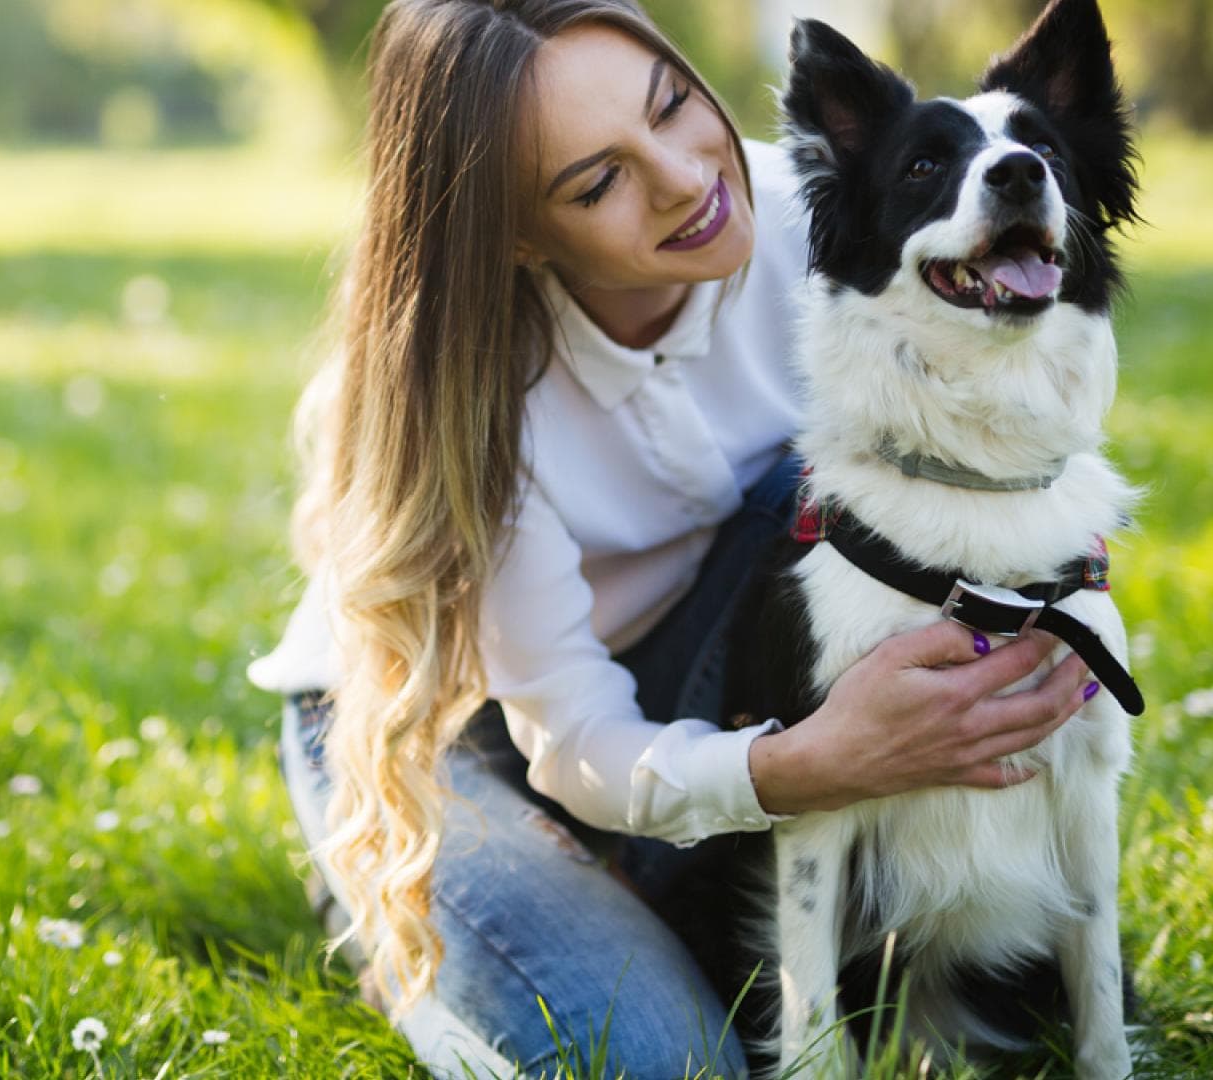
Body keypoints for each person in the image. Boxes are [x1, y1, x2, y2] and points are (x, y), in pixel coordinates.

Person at [245, 1, 1097, 1075]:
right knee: (666, 1062)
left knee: (800, 496)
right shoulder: (477, 395)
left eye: (672, 106)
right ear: (518, 235)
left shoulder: (842, 218)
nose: (686, 179)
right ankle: (387, 895)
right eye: (597, 182)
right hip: (441, 724)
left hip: (715, 657)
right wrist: (804, 765)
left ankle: (662, 875)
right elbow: (576, 735)